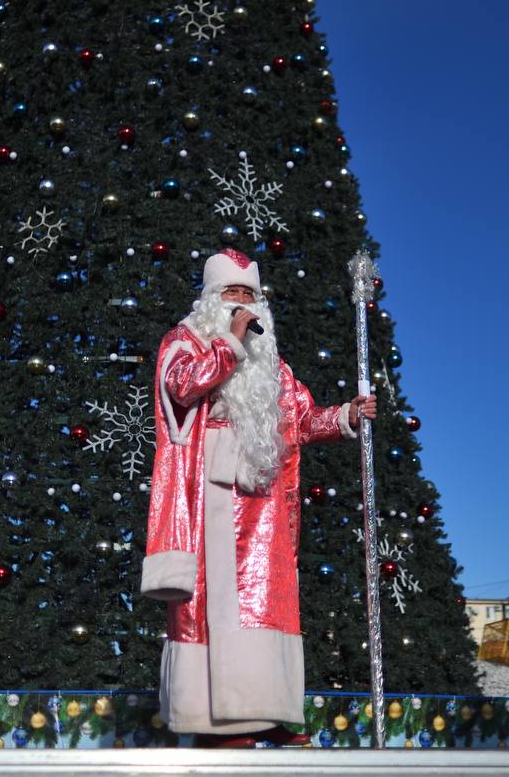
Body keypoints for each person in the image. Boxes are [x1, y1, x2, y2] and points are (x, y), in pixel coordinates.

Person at [140, 249, 377, 748]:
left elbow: (303, 418)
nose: (243, 303)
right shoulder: (184, 342)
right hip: (210, 499)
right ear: (210, 298)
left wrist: (348, 417)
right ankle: (219, 724)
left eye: (250, 295)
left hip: (266, 503)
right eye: (233, 294)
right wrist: (231, 343)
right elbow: (182, 387)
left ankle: (267, 714)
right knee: (216, 608)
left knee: (264, 609)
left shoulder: (275, 367)